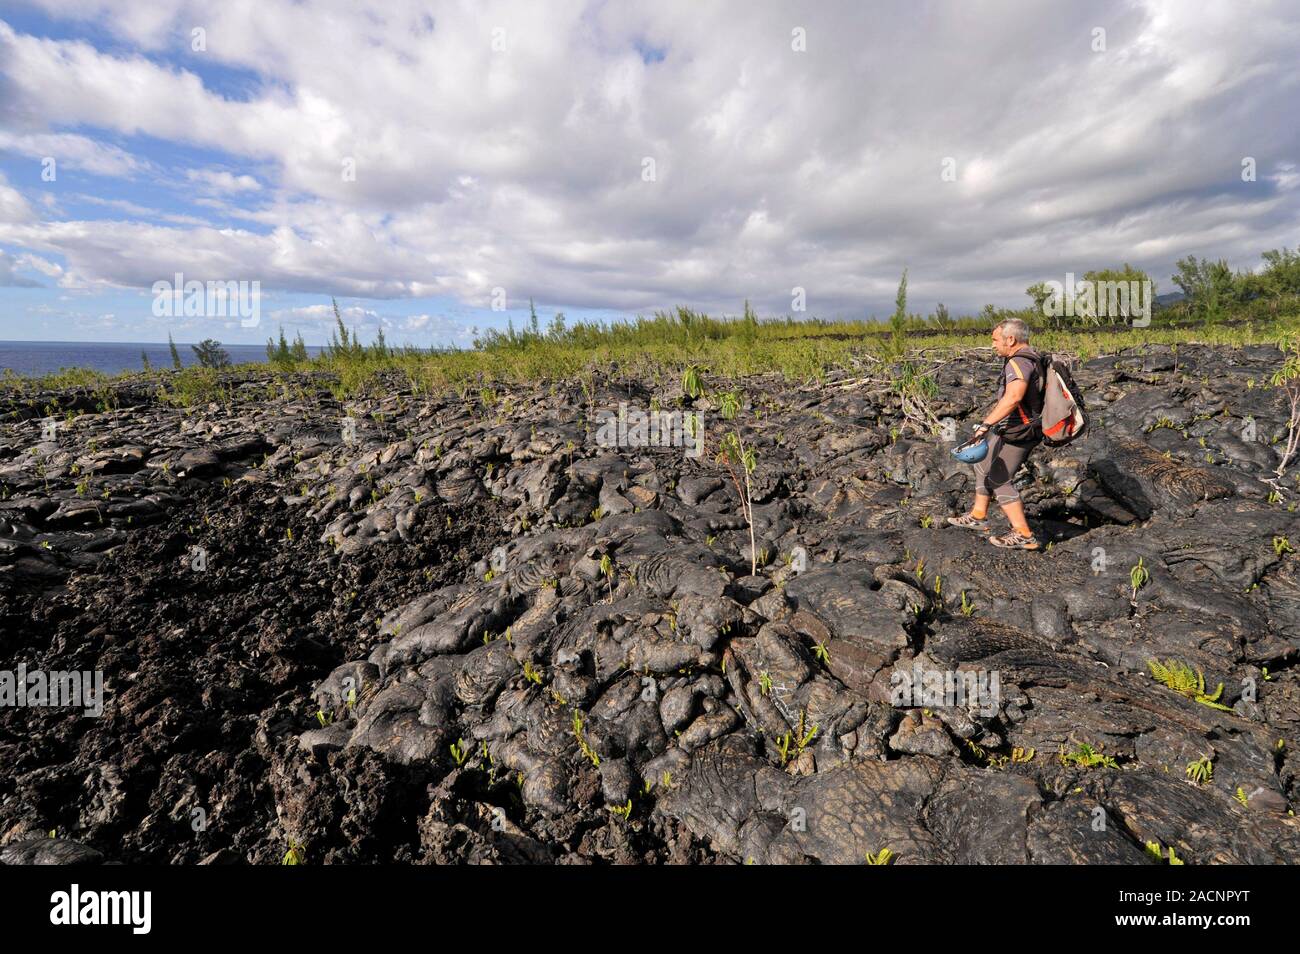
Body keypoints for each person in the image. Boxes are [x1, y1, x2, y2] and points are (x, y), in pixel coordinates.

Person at [947, 318, 1043, 550]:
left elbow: (1014, 397)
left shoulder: (1018, 362)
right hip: (1011, 427)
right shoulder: (1031, 357)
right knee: (982, 465)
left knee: (999, 479)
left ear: (1010, 339)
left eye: (994, 339)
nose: (992, 345)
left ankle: (1024, 535)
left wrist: (985, 424)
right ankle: (978, 516)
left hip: (1020, 431)